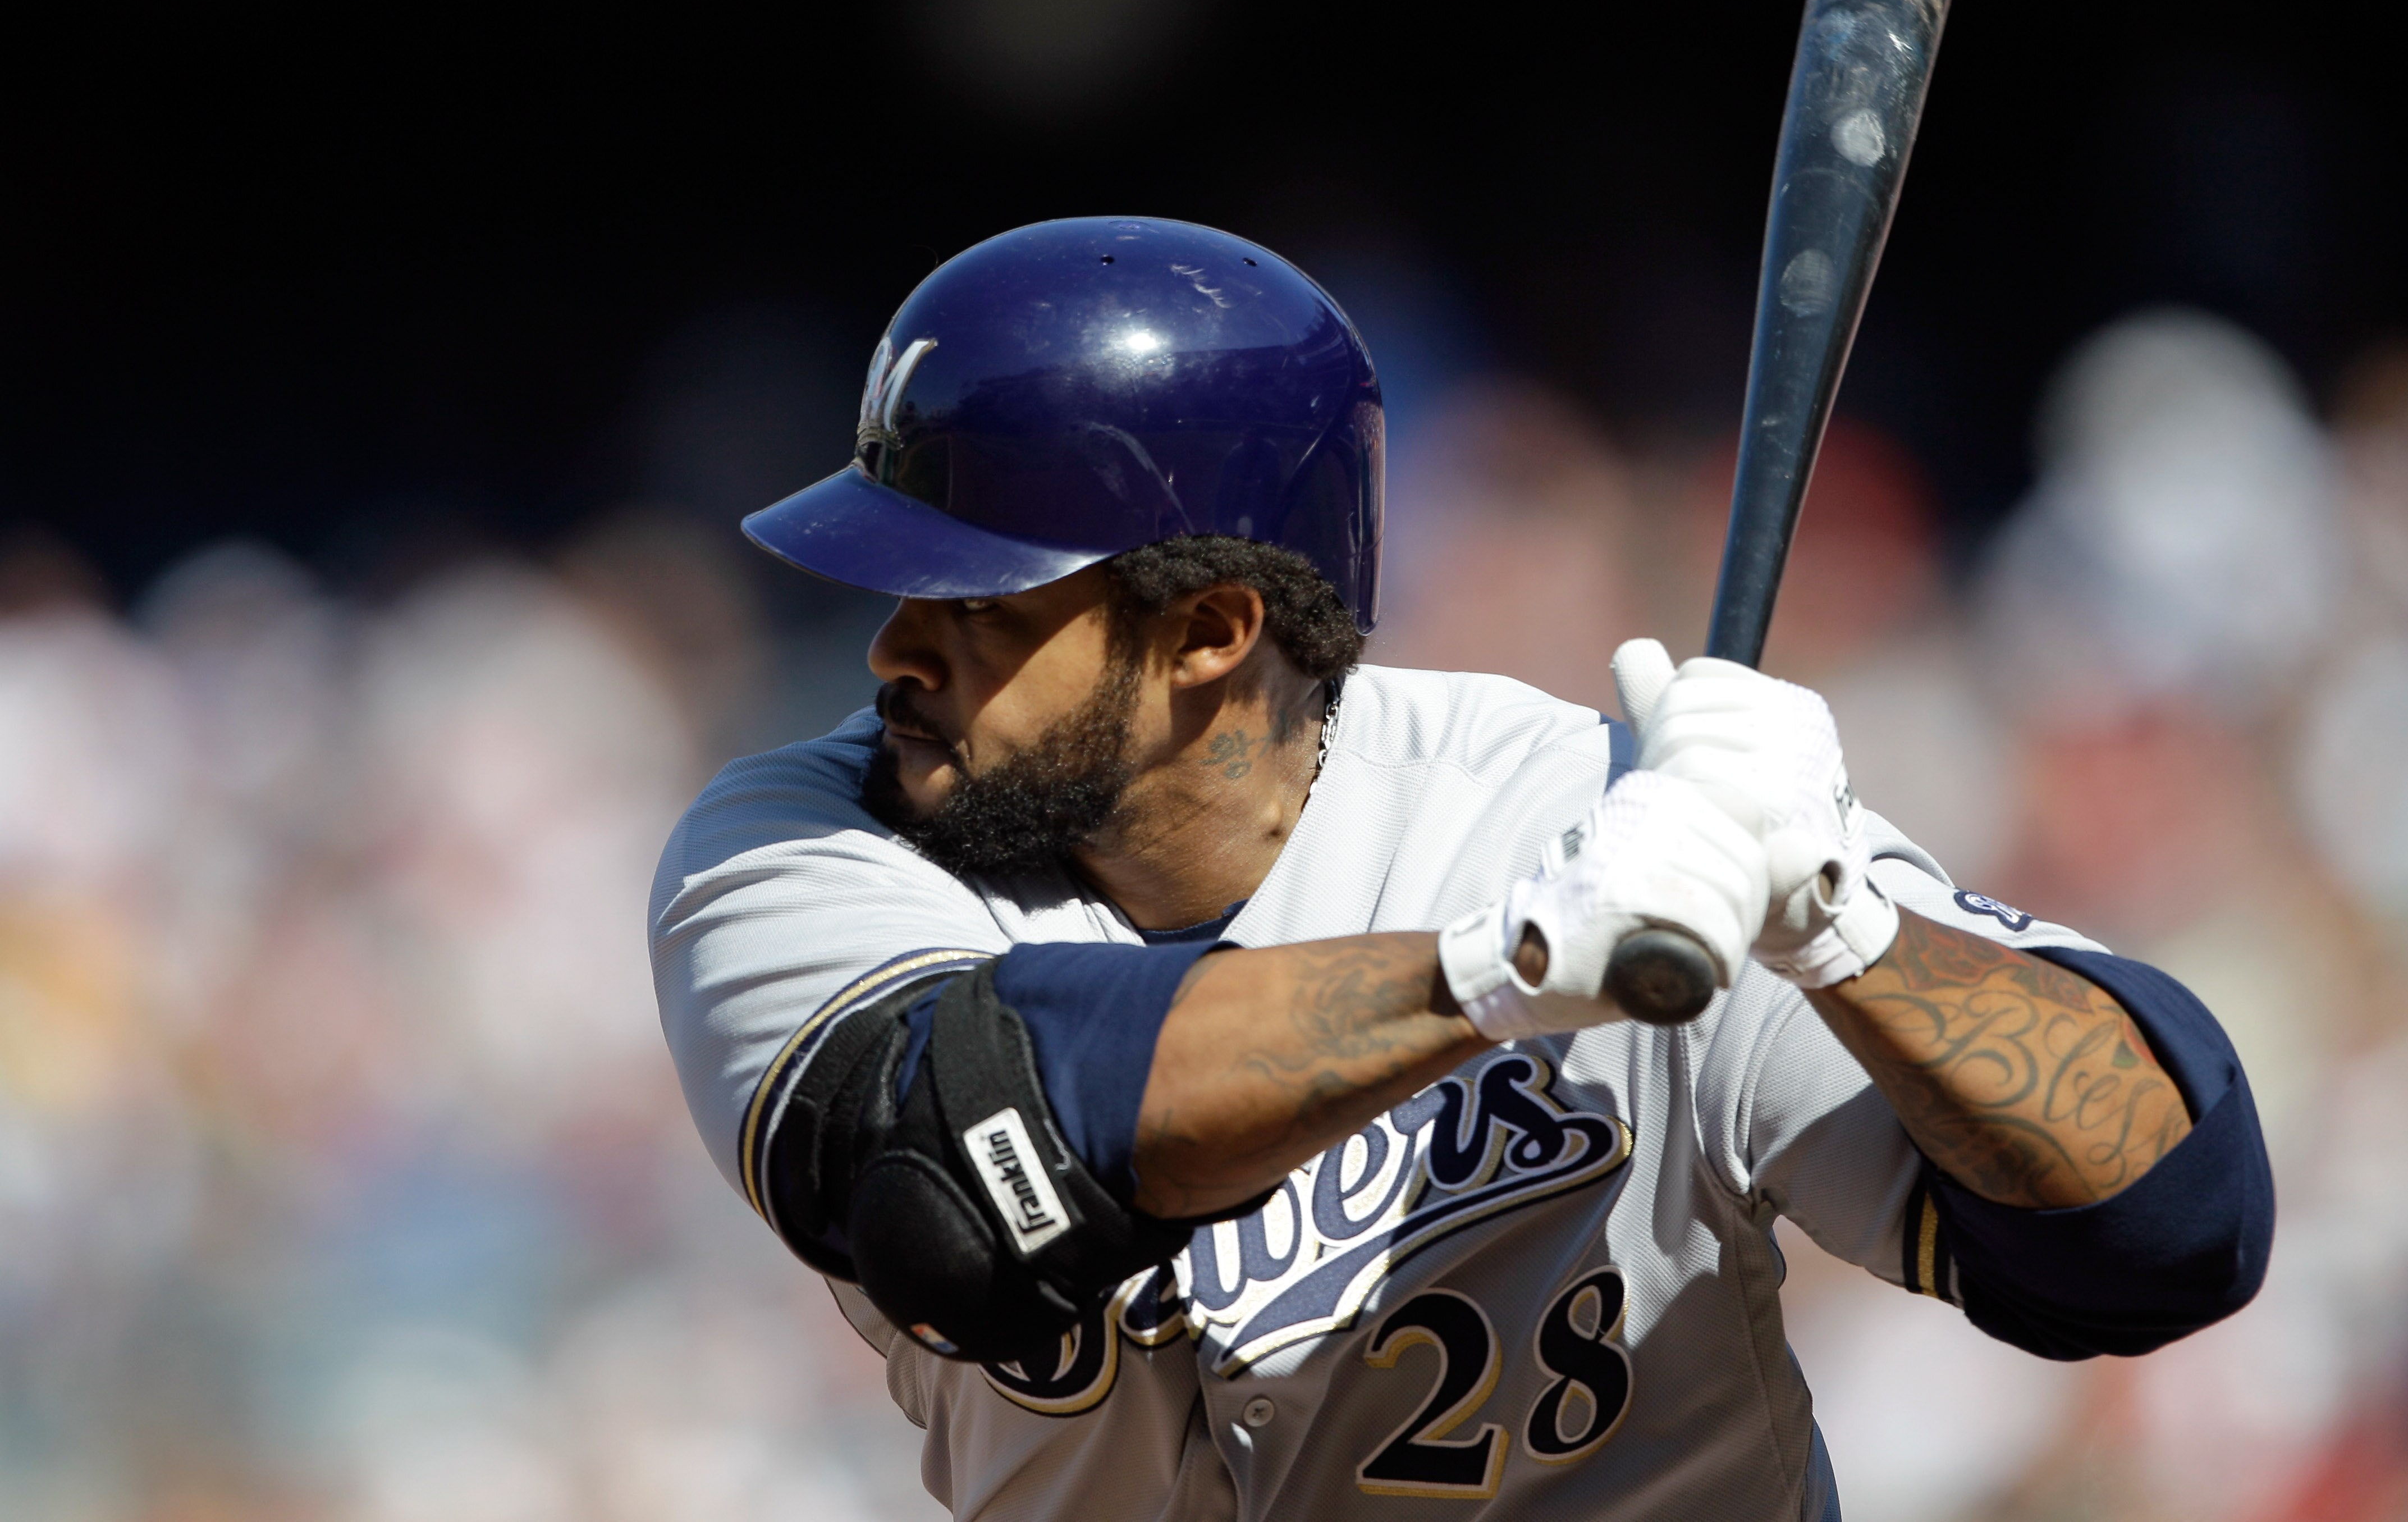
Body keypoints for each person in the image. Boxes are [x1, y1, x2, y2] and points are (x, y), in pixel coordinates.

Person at [650, 217, 2272, 1520]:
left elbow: (2161, 1237)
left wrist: (1836, 921)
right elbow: (943, 1178)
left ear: (1212, 631)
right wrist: (1512, 966)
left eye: (977, 608)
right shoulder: (801, 841)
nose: (890, 652)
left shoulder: (1617, 820)